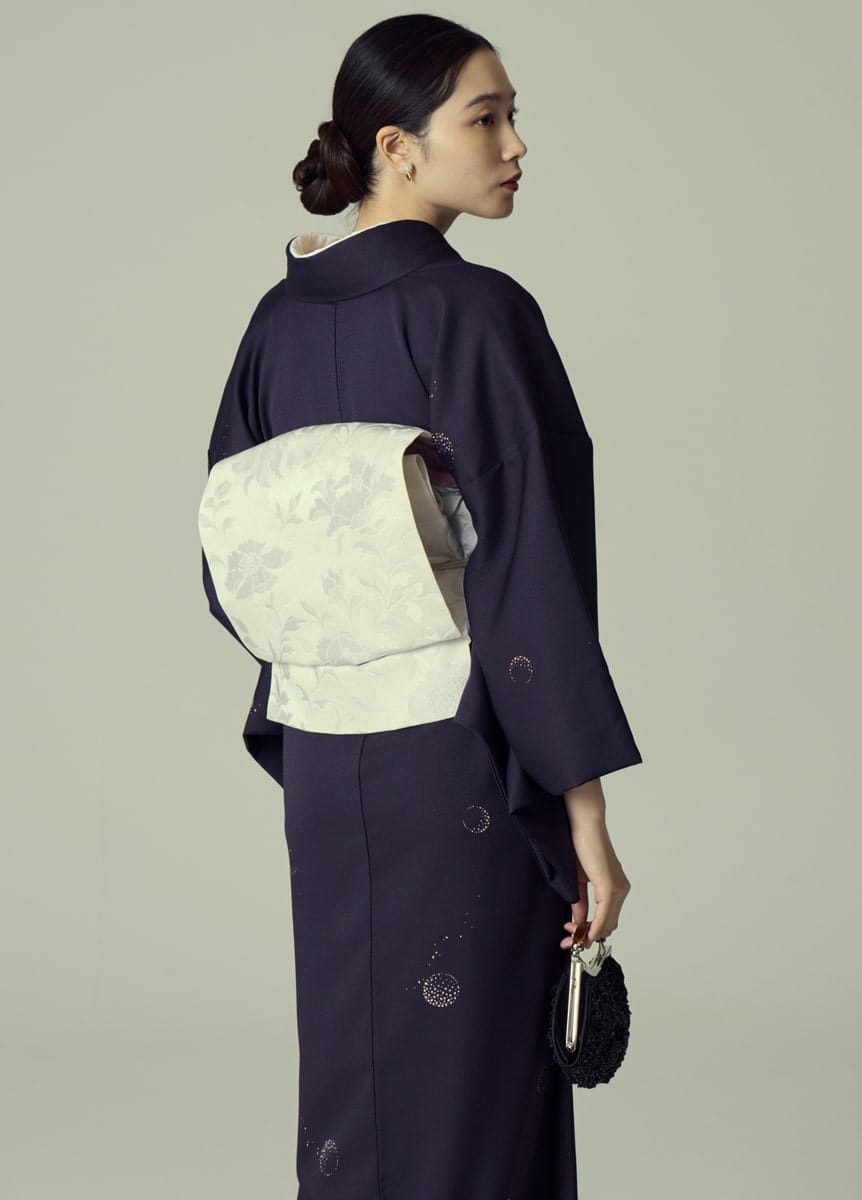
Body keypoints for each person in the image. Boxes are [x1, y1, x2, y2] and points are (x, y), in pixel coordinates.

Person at [199, 13, 643, 1198]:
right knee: (475, 1090)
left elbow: (231, 560)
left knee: (359, 1089)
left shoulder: (277, 322)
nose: (515, 145)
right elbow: (529, 573)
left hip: (328, 763)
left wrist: (342, 645)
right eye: (485, 119)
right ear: (395, 147)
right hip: (463, 765)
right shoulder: (479, 313)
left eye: (512, 117)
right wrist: (586, 813)